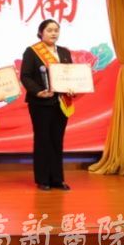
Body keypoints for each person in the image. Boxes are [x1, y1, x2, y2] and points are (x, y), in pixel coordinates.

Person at [20, 19, 74, 191]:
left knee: (57, 139)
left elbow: (70, 74)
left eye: (56, 30)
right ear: (41, 32)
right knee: (43, 139)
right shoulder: (32, 51)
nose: (53, 33)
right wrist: (38, 92)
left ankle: (57, 178)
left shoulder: (64, 52)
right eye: (49, 30)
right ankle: (43, 179)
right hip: (41, 102)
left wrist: (72, 87)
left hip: (61, 102)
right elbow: (25, 76)